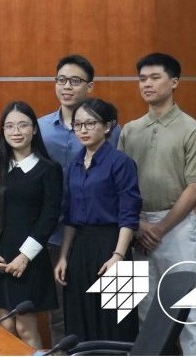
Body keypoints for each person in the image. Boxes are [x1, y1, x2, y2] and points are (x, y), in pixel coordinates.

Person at [119, 53, 196, 355]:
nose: (147, 84)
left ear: (174, 82)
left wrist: (158, 228)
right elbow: (118, 185)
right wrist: (139, 224)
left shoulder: (192, 129)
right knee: (142, 306)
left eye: (154, 77)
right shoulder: (130, 130)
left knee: (189, 310)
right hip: (135, 226)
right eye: (142, 79)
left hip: (176, 226)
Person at [36, 54, 119, 344]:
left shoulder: (112, 129)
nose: (66, 86)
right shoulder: (40, 128)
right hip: (57, 235)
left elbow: (123, 185)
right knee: (62, 313)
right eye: (61, 80)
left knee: (116, 312)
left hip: (108, 235)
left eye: (74, 81)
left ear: (90, 86)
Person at [0, 101, 61, 349]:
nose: (16, 132)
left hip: (29, 258)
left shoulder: (49, 169)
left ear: (34, 129)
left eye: (23, 125)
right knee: (4, 326)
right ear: (2, 130)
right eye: (10, 126)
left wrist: (25, 257)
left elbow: (49, 217)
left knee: (25, 326)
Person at [53, 97, 140, 342]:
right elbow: (70, 216)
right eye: (78, 124)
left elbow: (129, 214)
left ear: (108, 126)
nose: (83, 130)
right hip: (80, 248)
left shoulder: (121, 163)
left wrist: (118, 256)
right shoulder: (74, 164)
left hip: (113, 243)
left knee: (117, 324)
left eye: (90, 123)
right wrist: (63, 256)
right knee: (80, 319)